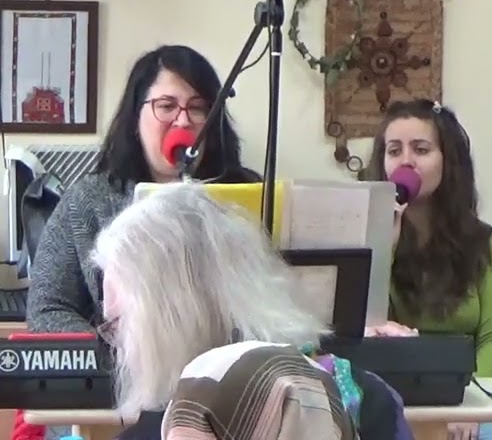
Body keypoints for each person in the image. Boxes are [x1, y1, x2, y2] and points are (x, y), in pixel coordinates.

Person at [93, 183, 410, 439]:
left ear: (168, 316)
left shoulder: (167, 429)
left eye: (118, 322)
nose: (116, 343)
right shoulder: (366, 396)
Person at [26, 45, 261, 335]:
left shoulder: (246, 195)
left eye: (198, 108)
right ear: (136, 119)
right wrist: (113, 351)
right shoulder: (88, 199)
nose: (183, 120)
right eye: (166, 106)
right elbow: (47, 308)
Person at [361, 99, 492, 440]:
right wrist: (385, 246)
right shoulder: (366, 241)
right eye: (394, 150)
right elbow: (365, 329)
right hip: (392, 399)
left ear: (449, 161)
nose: (405, 161)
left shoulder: (483, 242)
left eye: (420, 149)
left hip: (472, 397)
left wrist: (469, 402)